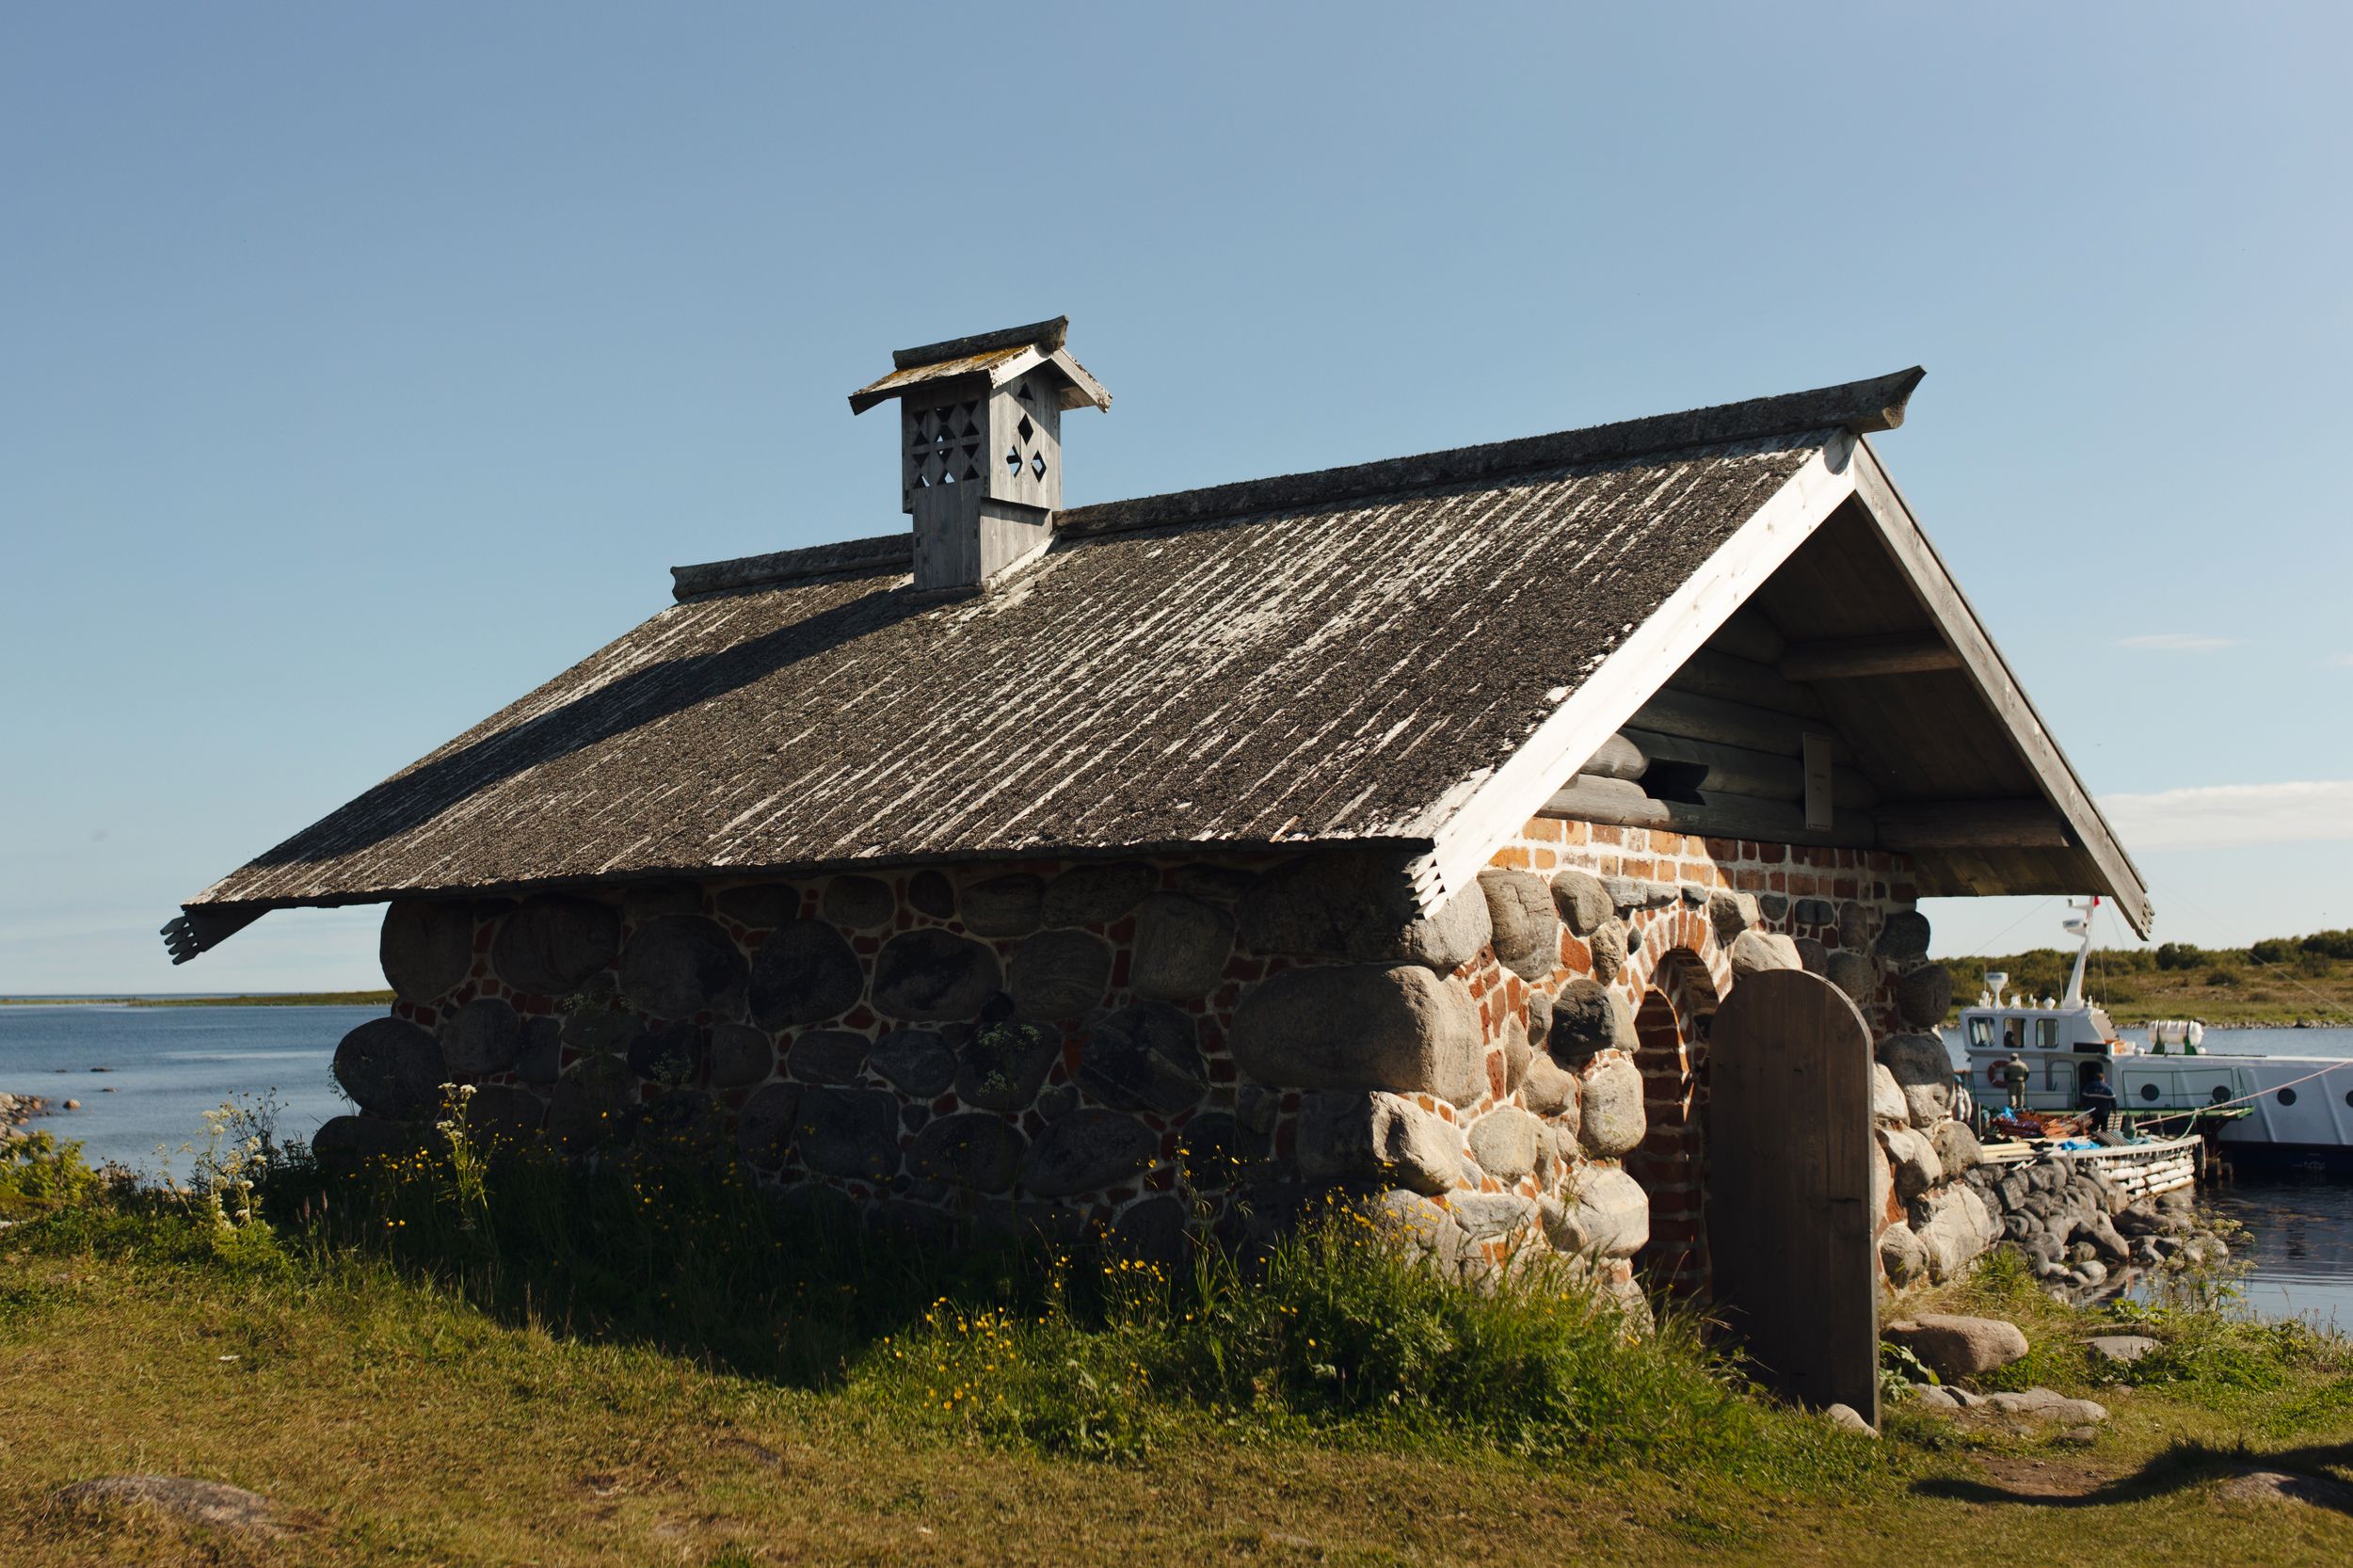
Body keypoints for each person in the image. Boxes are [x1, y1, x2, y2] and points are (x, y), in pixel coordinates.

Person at [2078, 1064, 2118, 1132]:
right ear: (2103, 1079)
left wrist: (2083, 1106)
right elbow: (2113, 1100)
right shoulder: (2108, 1088)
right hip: (2104, 1112)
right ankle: (2103, 1139)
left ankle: (2092, 1135)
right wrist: (2114, 1109)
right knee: (2104, 1127)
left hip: (2093, 1111)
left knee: (2094, 1125)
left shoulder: (2089, 1087)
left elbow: (2083, 1098)